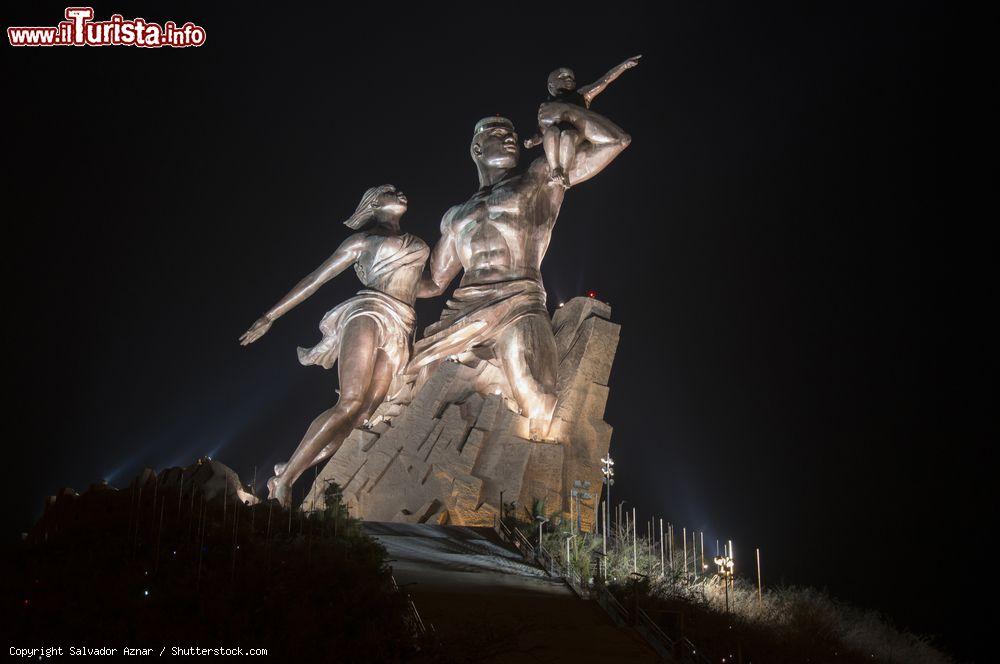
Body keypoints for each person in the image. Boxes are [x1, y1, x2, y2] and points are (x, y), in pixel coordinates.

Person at [409, 107, 631, 441]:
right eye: (498, 135)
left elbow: (614, 142)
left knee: (537, 395)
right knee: (417, 392)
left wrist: (567, 110)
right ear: (478, 149)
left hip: (520, 301)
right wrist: (386, 280)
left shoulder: (539, 177)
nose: (511, 138)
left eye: (512, 134)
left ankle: (528, 482)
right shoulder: (456, 216)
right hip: (463, 308)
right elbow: (434, 283)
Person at [239, 185, 429, 506]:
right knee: (351, 402)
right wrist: (269, 317)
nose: (399, 192)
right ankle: (285, 481)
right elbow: (316, 279)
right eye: (388, 191)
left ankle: (288, 469)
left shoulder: (418, 244)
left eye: (398, 190)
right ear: (373, 204)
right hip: (369, 312)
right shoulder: (362, 240)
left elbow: (427, 285)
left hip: (402, 323)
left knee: (363, 416)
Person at [523, 55, 641, 187]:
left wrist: (623, 66)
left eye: (571, 77)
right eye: (563, 77)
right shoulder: (546, 107)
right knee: (551, 132)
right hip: (554, 135)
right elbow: (541, 132)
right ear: (551, 86)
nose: (568, 79)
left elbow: (604, 81)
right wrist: (533, 141)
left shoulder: (580, 95)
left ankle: (565, 172)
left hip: (575, 132)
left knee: (568, 135)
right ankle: (555, 168)